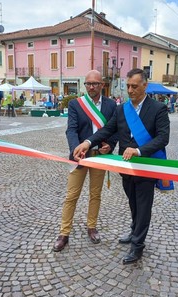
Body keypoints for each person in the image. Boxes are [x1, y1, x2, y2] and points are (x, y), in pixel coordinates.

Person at [73, 68, 170, 265]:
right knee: (133, 202)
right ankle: (135, 230)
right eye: (128, 86)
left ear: (145, 85)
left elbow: (163, 138)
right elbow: (107, 130)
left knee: (143, 207)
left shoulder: (158, 109)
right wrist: (87, 142)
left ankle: (138, 245)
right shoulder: (121, 109)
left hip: (146, 165)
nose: (131, 90)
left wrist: (139, 150)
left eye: (135, 86)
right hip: (126, 168)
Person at [53, 70, 118, 252]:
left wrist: (111, 146)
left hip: (100, 156)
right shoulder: (76, 104)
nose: (91, 87)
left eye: (95, 84)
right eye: (88, 83)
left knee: (95, 194)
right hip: (80, 156)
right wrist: (76, 149)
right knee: (71, 195)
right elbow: (71, 130)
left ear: (102, 85)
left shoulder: (112, 105)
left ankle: (92, 227)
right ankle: (64, 233)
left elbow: (115, 130)